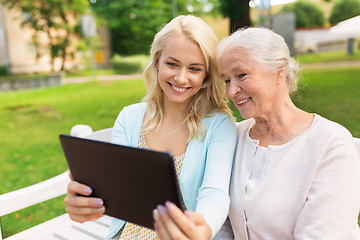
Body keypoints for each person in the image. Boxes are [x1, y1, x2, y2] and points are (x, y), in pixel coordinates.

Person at [153, 27, 360, 240]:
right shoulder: (235, 136)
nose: (232, 91)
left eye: (241, 75)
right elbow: (225, 226)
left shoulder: (332, 144)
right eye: (226, 80)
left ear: (279, 70)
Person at [64, 15, 237, 240]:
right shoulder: (129, 117)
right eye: (172, 64)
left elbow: (215, 193)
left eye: (194, 69)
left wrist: (201, 229)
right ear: (157, 62)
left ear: (206, 74)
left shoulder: (219, 125)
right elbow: (116, 189)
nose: (181, 78)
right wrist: (86, 202)